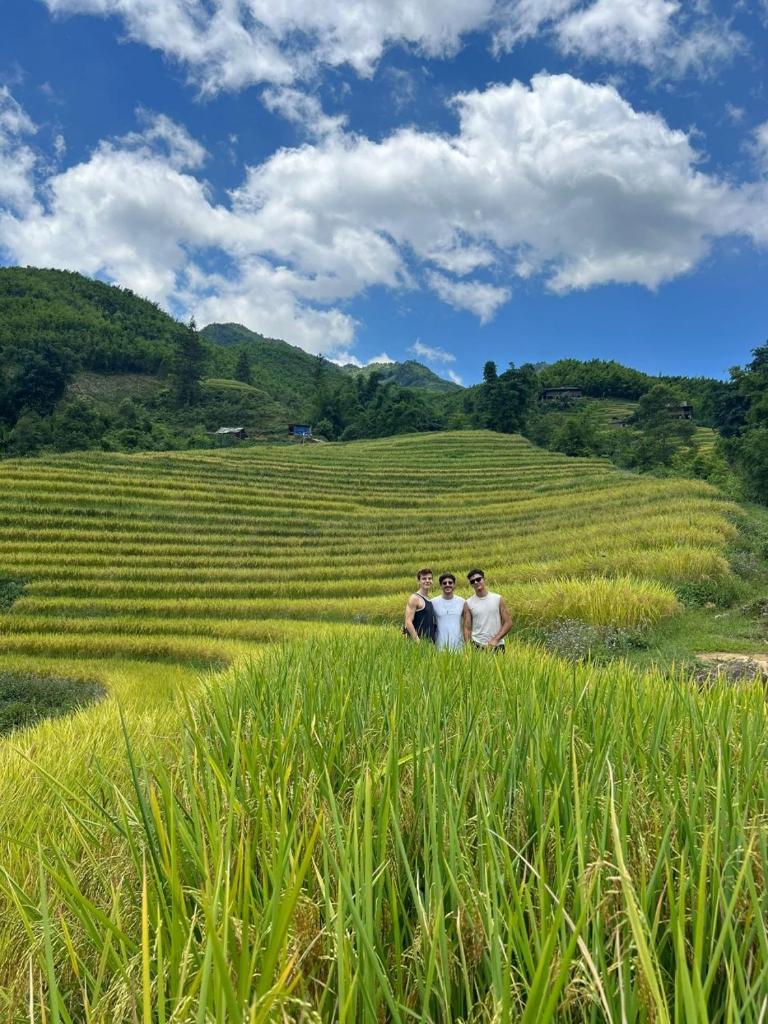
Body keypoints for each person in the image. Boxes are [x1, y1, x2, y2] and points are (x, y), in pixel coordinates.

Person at [463, 568, 511, 652]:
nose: (476, 582)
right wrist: (468, 647)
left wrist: (496, 639)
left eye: (478, 579)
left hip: (497, 645)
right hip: (477, 645)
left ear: (484, 579)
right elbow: (467, 628)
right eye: (472, 581)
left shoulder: (497, 598)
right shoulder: (468, 603)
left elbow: (508, 622)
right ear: (471, 584)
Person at [432, 572, 465, 650]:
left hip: (459, 646)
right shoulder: (433, 602)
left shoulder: (462, 601)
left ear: (454, 585)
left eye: (450, 582)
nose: (447, 584)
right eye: (444, 583)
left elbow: (468, 623)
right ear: (441, 585)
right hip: (439, 646)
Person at [403, 568, 437, 643]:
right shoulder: (415, 598)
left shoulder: (429, 599)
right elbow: (408, 622)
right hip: (418, 644)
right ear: (419, 581)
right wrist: (418, 641)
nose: (427, 581)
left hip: (429, 642)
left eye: (430, 578)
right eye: (424, 579)